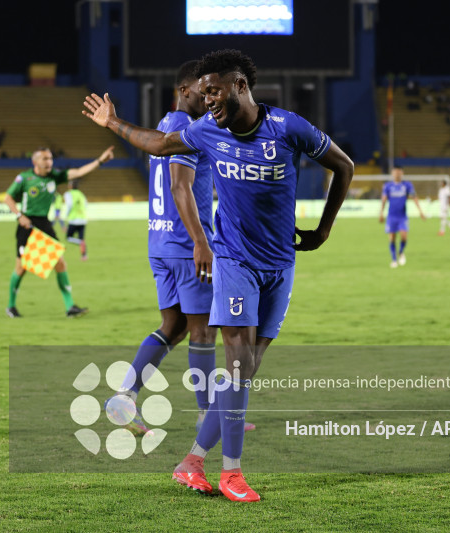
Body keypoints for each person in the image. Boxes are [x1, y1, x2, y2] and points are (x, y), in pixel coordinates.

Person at [83, 49, 354, 502]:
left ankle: (191, 462)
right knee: (236, 365)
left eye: (214, 91)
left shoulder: (288, 128)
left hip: (280, 266)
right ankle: (232, 473)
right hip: (233, 263)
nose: (207, 99)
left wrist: (324, 229)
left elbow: (344, 166)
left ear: (240, 86)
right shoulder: (207, 130)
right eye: (203, 92)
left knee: (244, 372)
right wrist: (112, 122)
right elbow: (160, 145)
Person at [105, 61, 252, 438]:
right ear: (184, 91)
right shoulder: (184, 128)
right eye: (204, 93)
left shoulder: (165, 125)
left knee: (173, 327)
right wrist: (201, 241)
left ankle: (125, 395)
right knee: (203, 332)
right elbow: (179, 186)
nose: (209, 99)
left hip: (160, 243)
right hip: (187, 247)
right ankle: (208, 416)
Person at [4, 145, 114, 318]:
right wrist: (19, 216)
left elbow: (78, 172)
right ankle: (11, 306)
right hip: (27, 224)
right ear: (35, 161)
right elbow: (7, 198)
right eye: (45, 159)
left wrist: (100, 161)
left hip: (44, 224)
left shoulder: (54, 177)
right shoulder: (24, 178)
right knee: (22, 267)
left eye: (50, 158)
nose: (49, 162)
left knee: (60, 263)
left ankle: (70, 307)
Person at [378, 166, 425, 268]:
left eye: (399, 172)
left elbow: (414, 197)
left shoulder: (407, 185)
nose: (397, 174)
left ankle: (401, 251)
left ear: (402, 173)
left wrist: (420, 211)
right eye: (395, 172)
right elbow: (384, 200)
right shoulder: (388, 186)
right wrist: (381, 213)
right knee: (392, 238)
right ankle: (394, 260)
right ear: (392, 174)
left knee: (404, 236)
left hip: (402, 216)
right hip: (391, 216)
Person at [63, 180, 88, 260]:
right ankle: (84, 256)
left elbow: (69, 205)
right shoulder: (81, 194)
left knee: (68, 238)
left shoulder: (68, 194)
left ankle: (80, 242)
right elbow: (85, 204)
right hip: (82, 219)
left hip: (73, 219)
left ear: (70, 186)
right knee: (82, 238)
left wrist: (67, 215)